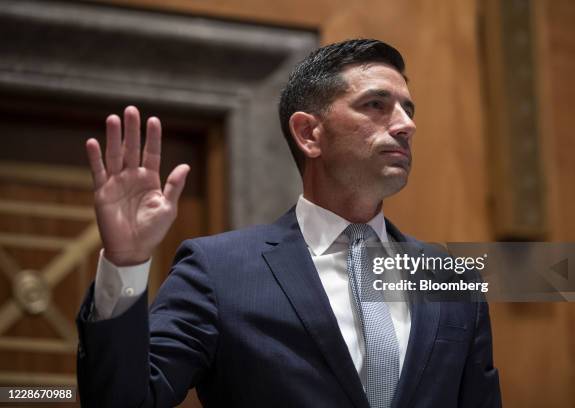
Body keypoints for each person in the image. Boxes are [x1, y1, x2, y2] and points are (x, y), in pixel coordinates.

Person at [76, 39, 501, 407]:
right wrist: (126, 261)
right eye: (376, 105)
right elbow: (122, 400)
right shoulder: (218, 270)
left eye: (408, 110)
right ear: (308, 134)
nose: (407, 125)